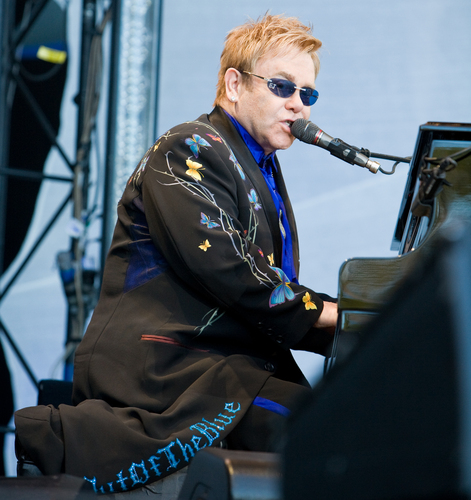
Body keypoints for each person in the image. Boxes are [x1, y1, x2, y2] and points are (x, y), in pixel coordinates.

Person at [14, 13, 338, 495]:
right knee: (324, 435)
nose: (298, 105)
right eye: (282, 87)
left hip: (223, 369)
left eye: (307, 94)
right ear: (234, 84)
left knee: (338, 426)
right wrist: (341, 314)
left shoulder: (257, 163)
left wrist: (355, 322)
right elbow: (231, 270)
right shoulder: (189, 147)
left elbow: (267, 288)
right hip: (167, 369)